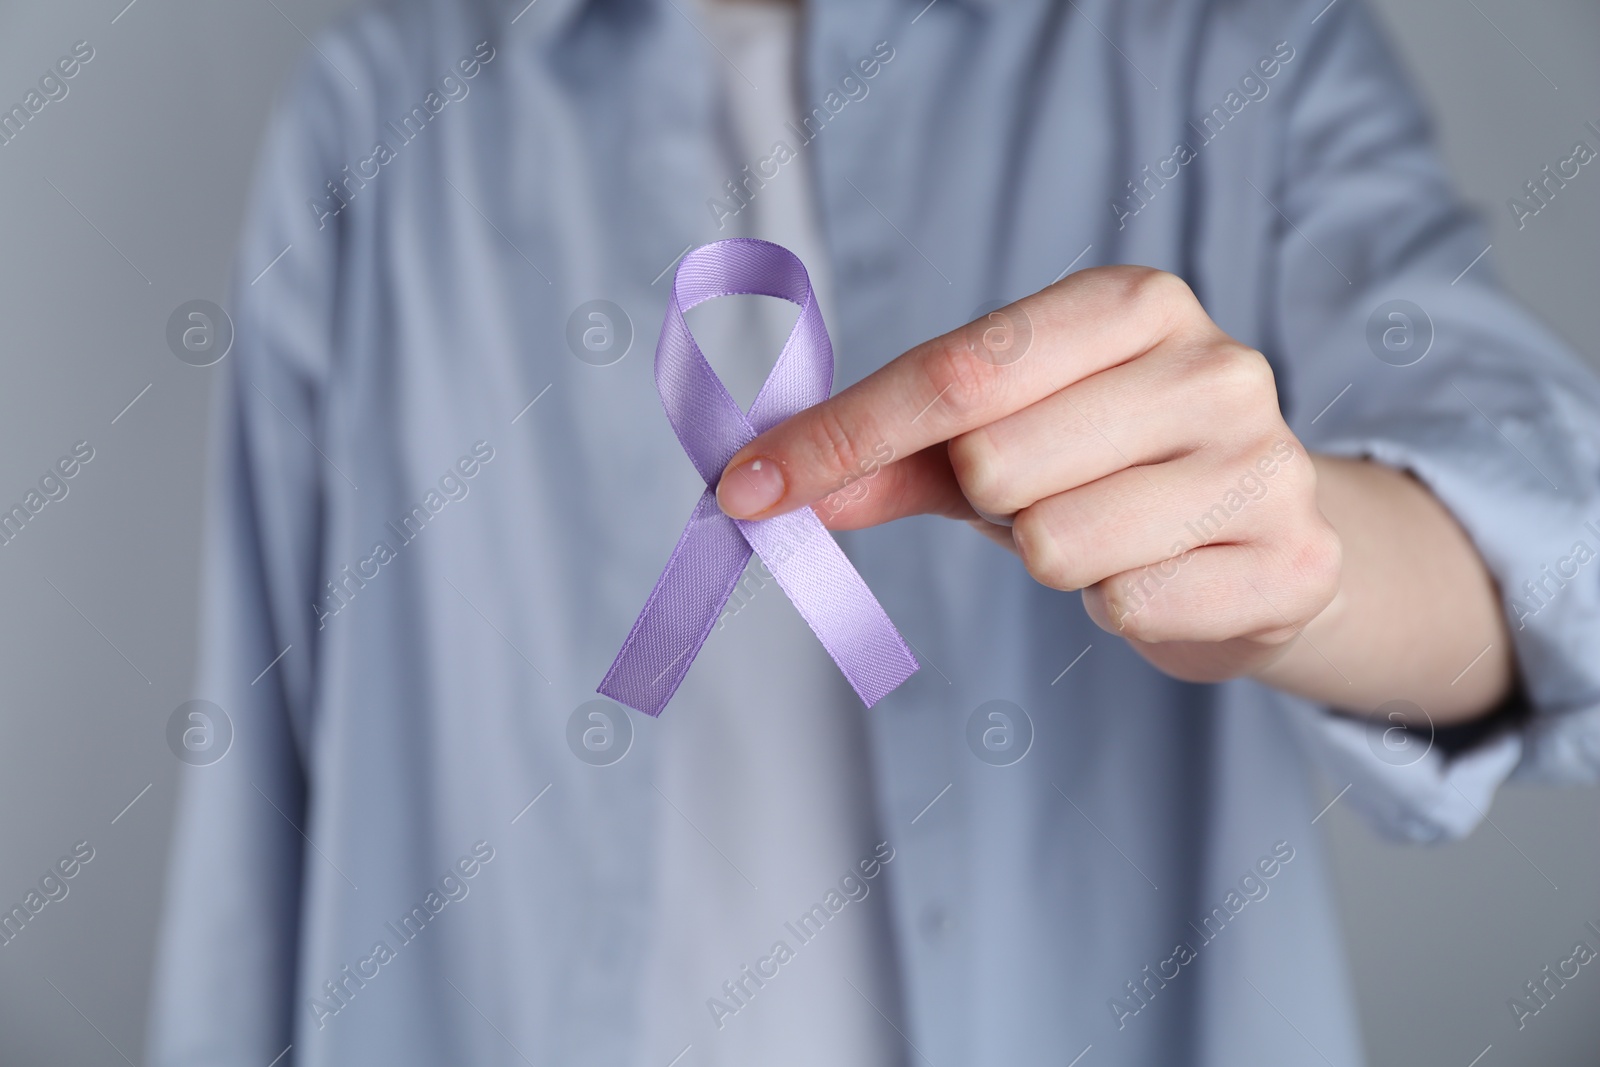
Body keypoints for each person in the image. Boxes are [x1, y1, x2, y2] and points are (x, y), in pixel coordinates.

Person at [147, 0, 1600, 1063]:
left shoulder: (1236, 51)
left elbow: (1562, 550)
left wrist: (1309, 566)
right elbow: (264, 775)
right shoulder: (381, 116)